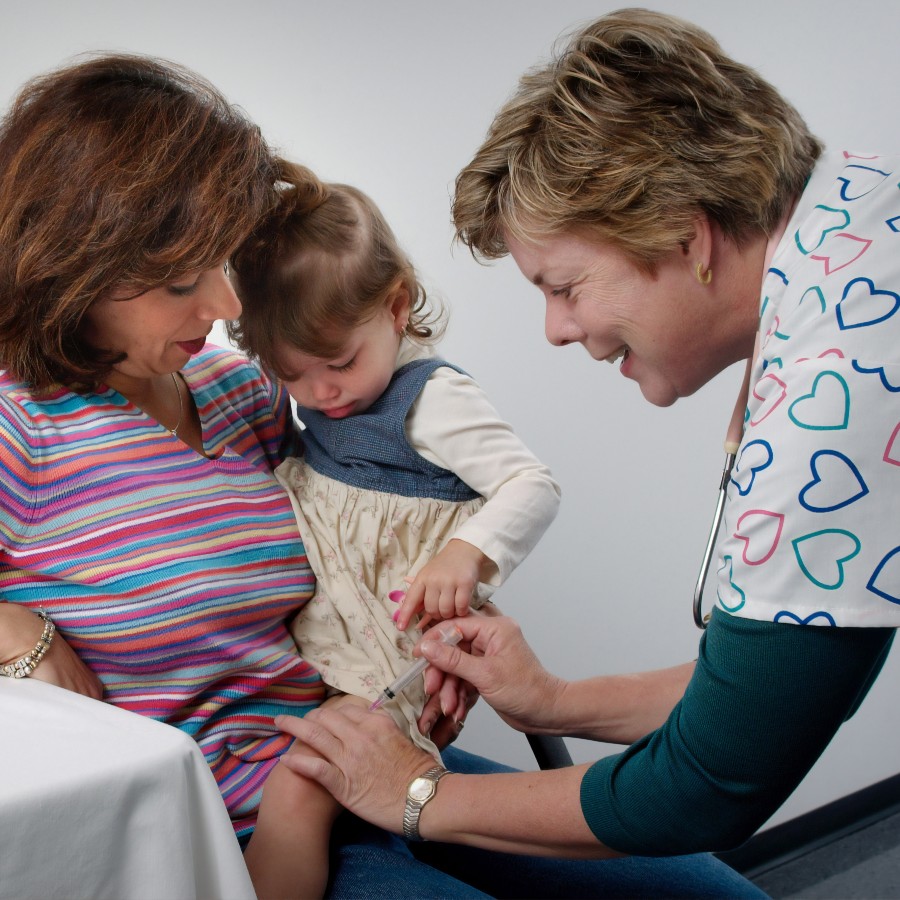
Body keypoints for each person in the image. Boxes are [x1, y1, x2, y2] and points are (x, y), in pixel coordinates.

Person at [0, 49, 762, 900]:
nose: (223, 307)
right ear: (74, 270)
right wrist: (17, 634)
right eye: (184, 281)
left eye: (221, 264)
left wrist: (419, 651)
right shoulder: (19, 426)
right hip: (242, 824)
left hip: (370, 753)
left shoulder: (242, 389)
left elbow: (344, 542)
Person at [274, 4, 899, 871]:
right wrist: (552, 700)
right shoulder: (856, 216)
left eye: (565, 286)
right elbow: (777, 695)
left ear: (688, 236)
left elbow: (710, 782)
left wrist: (417, 795)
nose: (555, 331)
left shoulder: (831, 391)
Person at [228, 167, 561, 896]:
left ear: (397, 306)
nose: (322, 393)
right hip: (332, 638)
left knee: (302, 783)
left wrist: (467, 553)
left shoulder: (432, 400)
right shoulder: (323, 399)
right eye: (293, 375)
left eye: (339, 362)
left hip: (393, 638)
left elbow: (532, 485)